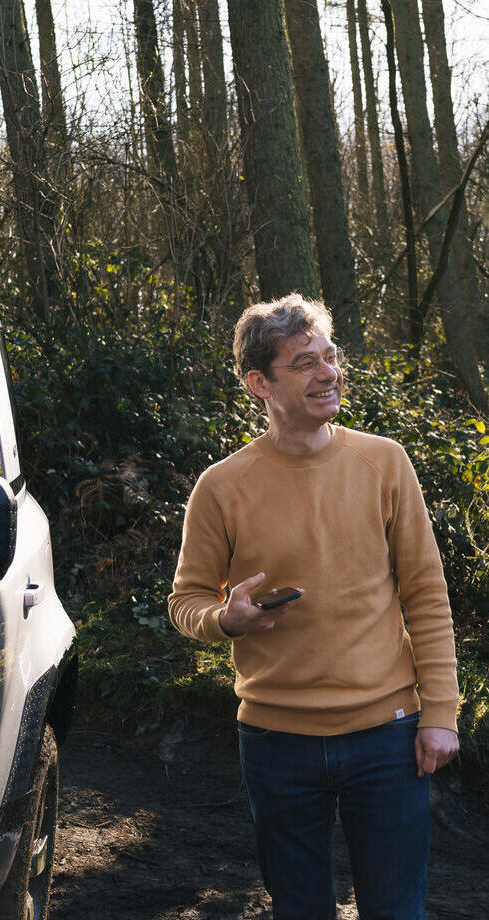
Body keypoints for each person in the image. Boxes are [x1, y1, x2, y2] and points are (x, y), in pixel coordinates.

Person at [168, 294, 459, 920]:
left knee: (396, 910)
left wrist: (441, 712)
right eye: (305, 363)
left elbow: (427, 596)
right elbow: (186, 601)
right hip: (276, 741)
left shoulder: (383, 461)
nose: (328, 372)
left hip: (389, 735)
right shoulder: (221, 486)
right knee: (299, 911)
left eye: (331, 356)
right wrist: (226, 619)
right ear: (259, 382)